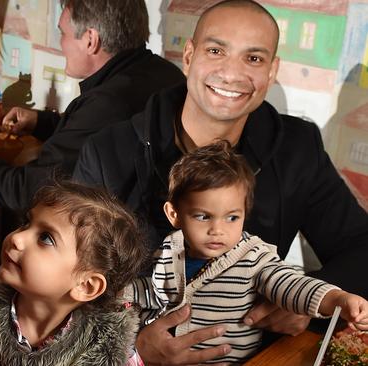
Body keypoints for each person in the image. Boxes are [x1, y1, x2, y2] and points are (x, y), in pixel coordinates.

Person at [73, 0, 368, 363]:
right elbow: (63, 282)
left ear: (272, 71)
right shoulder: (109, 152)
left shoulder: (297, 148)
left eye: (254, 59)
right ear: (189, 56)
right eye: (216, 51)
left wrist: (305, 304)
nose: (232, 73)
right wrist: (132, 349)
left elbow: (361, 247)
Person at [124, 141, 368, 364]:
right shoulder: (168, 251)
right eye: (202, 216)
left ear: (244, 214)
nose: (217, 230)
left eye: (232, 217)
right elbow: (153, 292)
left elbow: (292, 285)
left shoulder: (254, 257)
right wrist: (118, 293)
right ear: (174, 214)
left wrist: (336, 300)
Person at [0, 0, 185, 212]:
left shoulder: (108, 103)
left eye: (63, 33)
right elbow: (95, 135)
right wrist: (40, 121)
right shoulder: (167, 74)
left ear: (90, 40)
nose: (61, 43)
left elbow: (28, 191)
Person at [0, 180, 149, 365]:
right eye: (26, 223)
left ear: (86, 286)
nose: (17, 238)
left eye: (46, 238)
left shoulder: (114, 356)